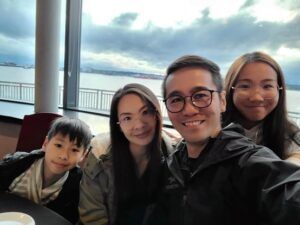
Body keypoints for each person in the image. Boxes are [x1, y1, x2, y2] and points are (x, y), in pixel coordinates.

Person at [157, 54, 300, 225]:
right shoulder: (174, 162)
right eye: (176, 99)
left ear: (222, 101)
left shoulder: (246, 160)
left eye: (200, 95)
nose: (188, 109)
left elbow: (285, 192)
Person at [79, 83, 174, 225]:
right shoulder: (100, 159)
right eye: (127, 118)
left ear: (156, 114)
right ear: (119, 125)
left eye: (145, 112)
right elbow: (92, 219)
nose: (139, 125)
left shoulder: (173, 155)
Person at [0, 116, 92, 224]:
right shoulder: (16, 164)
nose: (63, 156)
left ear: (83, 154)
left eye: (74, 150)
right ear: (46, 143)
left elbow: (67, 220)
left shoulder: (78, 185)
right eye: (58, 145)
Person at [223, 51, 300, 162]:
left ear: (279, 89)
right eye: (245, 86)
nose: (256, 98)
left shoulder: (289, 133)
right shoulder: (211, 128)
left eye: (267, 86)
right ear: (230, 89)